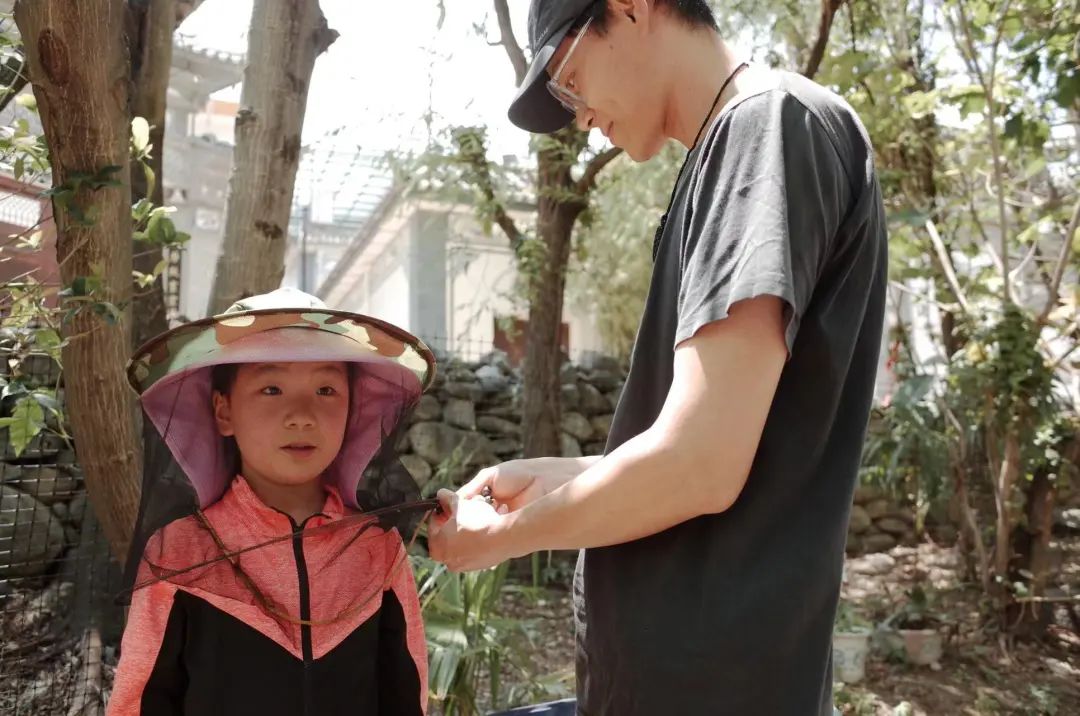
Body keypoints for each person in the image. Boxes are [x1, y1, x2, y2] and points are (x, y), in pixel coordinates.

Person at [428, 1, 888, 713]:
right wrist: (544, 480)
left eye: (570, 78)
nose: (579, 116)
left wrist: (504, 540)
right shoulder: (730, 150)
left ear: (631, 9)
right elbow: (717, 449)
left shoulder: (767, 127)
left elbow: (699, 467)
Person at [109, 288, 435, 715]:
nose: (301, 414)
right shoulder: (181, 550)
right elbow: (140, 700)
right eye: (271, 388)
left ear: (352, 408)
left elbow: (405, 694)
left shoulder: (379, 550)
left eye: (325, 389)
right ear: (223, 412)